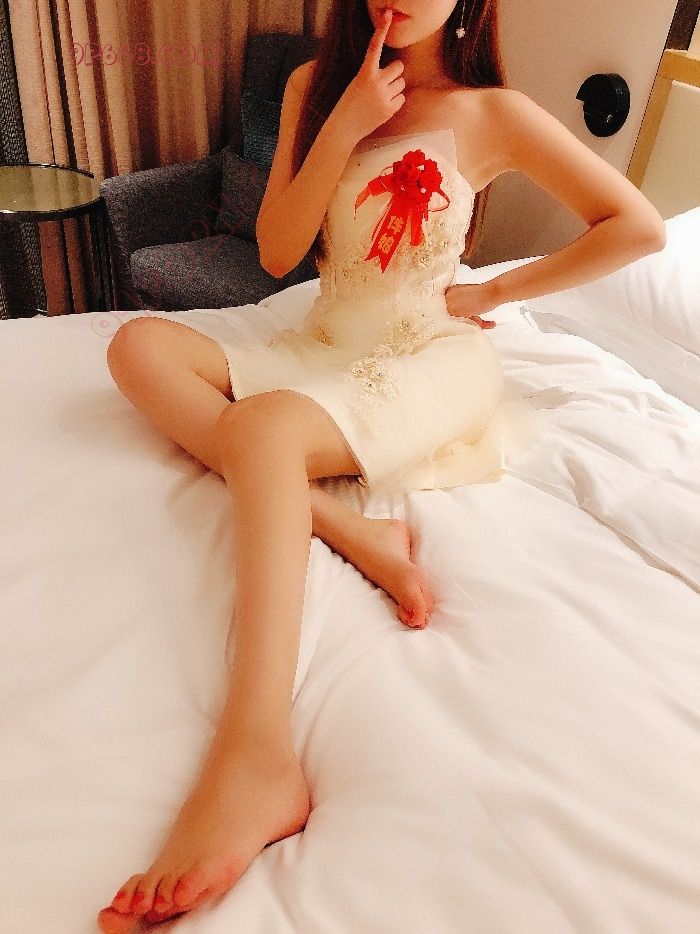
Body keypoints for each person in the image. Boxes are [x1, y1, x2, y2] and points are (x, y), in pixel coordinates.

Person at [98, 1, 666, 929]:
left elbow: (636, 226)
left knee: (265, 429)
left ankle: (257, 752)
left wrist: (494, 288)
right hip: (318, 338)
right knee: (137, 347)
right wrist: (346, 124)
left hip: (423, 355)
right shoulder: (311, 88)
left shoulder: (492, 113)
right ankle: (344, 525)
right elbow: (278, 251)